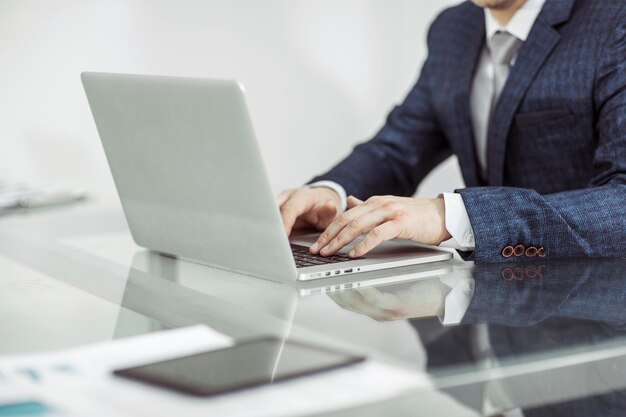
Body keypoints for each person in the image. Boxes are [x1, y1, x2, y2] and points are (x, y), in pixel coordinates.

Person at [277, 0, 626, 263]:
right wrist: (331, 193)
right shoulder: (453, 29)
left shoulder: (614, 21)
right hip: (488, 312)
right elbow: (400, 149)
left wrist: (454, 215)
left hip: (596, 315)